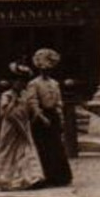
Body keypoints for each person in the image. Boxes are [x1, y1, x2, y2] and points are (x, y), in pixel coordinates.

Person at [24, 49, 72, 188]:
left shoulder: (55, 83)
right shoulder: (34, 83)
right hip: (40, 117)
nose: (46, 71)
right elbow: (32, 102)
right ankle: (47, 176)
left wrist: (60, 117)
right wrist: (41, 116)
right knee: (44, 147)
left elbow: (58, 101)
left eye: (48, 69)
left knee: (56, 146)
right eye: (43, 69)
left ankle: (61, 177)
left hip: (53, 115)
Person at [0, 66, 43, 190]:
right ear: (13, 82)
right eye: (18, 81)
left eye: (23, 82)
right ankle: (2, 179)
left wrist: (34, 115)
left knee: (25, 150)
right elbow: (5, 113)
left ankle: (30, 178)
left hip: (24, 125)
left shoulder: (25, 95)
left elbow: (29, 109)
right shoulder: (7, 95)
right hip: (10, 127)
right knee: (7, 150)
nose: (20, 84)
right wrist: (13, 101)